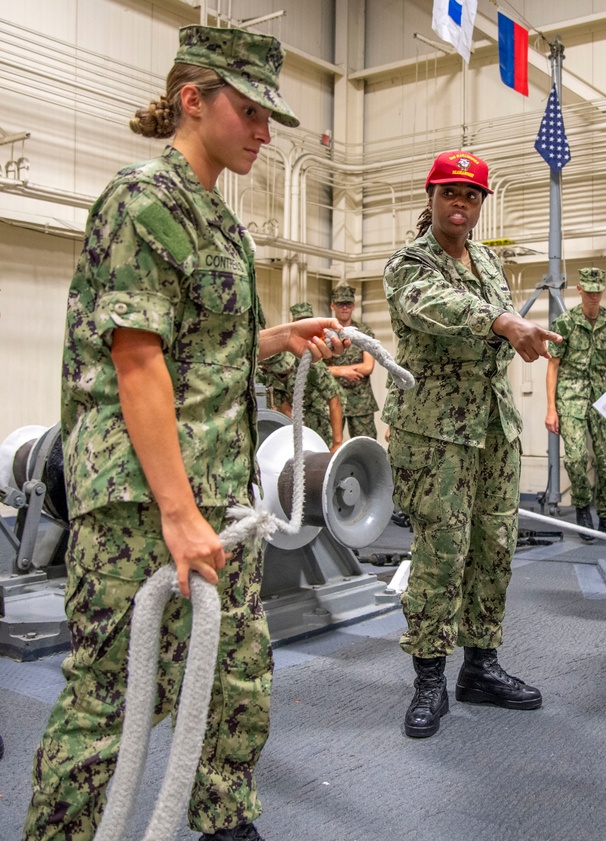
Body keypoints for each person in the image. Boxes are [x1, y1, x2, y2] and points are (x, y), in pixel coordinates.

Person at [23, 25, 347, 841]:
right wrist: (175, 510)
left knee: (235, 679)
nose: (265, 133)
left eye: (270, 117)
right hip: (143, 502)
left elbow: (203, 355)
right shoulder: (144, 201)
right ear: (193, 101)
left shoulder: (220, 226)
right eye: (251, 112)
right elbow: (138, 363)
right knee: (113, 700)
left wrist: (279, 339)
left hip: (213, 500)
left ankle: (224, 823)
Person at [382, 149, 561, 738]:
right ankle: (429, 677)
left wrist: (516, 329)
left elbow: (493, 313)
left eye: (472, 196)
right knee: (440, 555)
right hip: (435, 432)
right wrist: (505, 323)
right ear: (430, 198)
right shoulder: (409, 263)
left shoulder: (485, 261)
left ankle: (479, 666)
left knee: (494, 546)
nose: (461, 204)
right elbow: (440, 308)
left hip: (491, 426)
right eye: (450, 194)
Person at [544, 267, 606, 540]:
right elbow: (553, 366)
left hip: (602, 397)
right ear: (579, 290)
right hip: (571, 396)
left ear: (602, 291)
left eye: (597, 292)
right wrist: (551, 409)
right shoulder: (564, 324)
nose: (593, 297)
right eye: (588, 292)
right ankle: (581, 507)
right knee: (576, 458)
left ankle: (605, 514)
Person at [258, 302, 344, 452]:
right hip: (297, 414)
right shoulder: (266, 374)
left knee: (320, 455)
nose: (282, 372)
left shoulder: (314, 368)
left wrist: (337, 442)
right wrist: (296, 424)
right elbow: (282, 403)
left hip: (317, 414)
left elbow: (334, 401)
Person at [326, 285, 380, 440]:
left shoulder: (364, 331)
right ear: (332, 306)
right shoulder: (325, 332)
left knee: (366, 446)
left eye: (348, 304)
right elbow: (318, 369)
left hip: (361, 401)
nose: (344, 307)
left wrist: (335, 370)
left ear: (353, 306)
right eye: (340, 304)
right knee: (330, 446)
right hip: (333, 398)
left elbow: (368, 366)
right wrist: (344, 372)